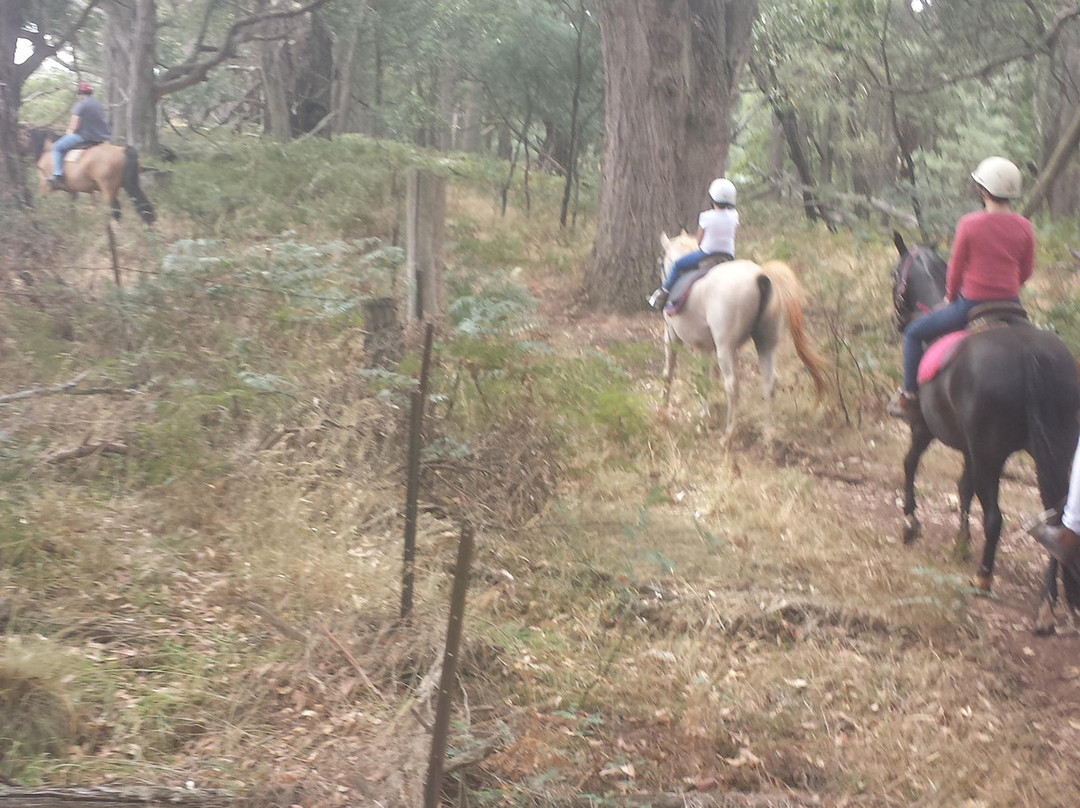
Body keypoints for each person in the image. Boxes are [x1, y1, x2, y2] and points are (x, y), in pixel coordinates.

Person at [886, 156, 1034, 419]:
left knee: (913, 332)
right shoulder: (1025, 227)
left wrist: (949, 297)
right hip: (1012, 307)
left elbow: (954, 270)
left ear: (983, 190)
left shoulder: (969, 223)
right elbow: (1026, 271)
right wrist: (1008, 287)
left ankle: (908, 395)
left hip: (970, 304)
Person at [648, 177, 739, 309]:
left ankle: (662, 294)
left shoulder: (706, 216)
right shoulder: (734, 215)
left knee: (678, 265)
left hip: (707, 254)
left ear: (712, 199)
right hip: (728, 256)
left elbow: (699, 240)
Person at [50, 81, 112, 189]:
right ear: (90, 93)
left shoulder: (80, 105)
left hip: (83, 137)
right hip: (99, 138)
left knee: (57, 148)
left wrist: (68, 133)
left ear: (80, 93)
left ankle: (57, 175)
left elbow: (74, 126)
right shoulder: (98, 104)